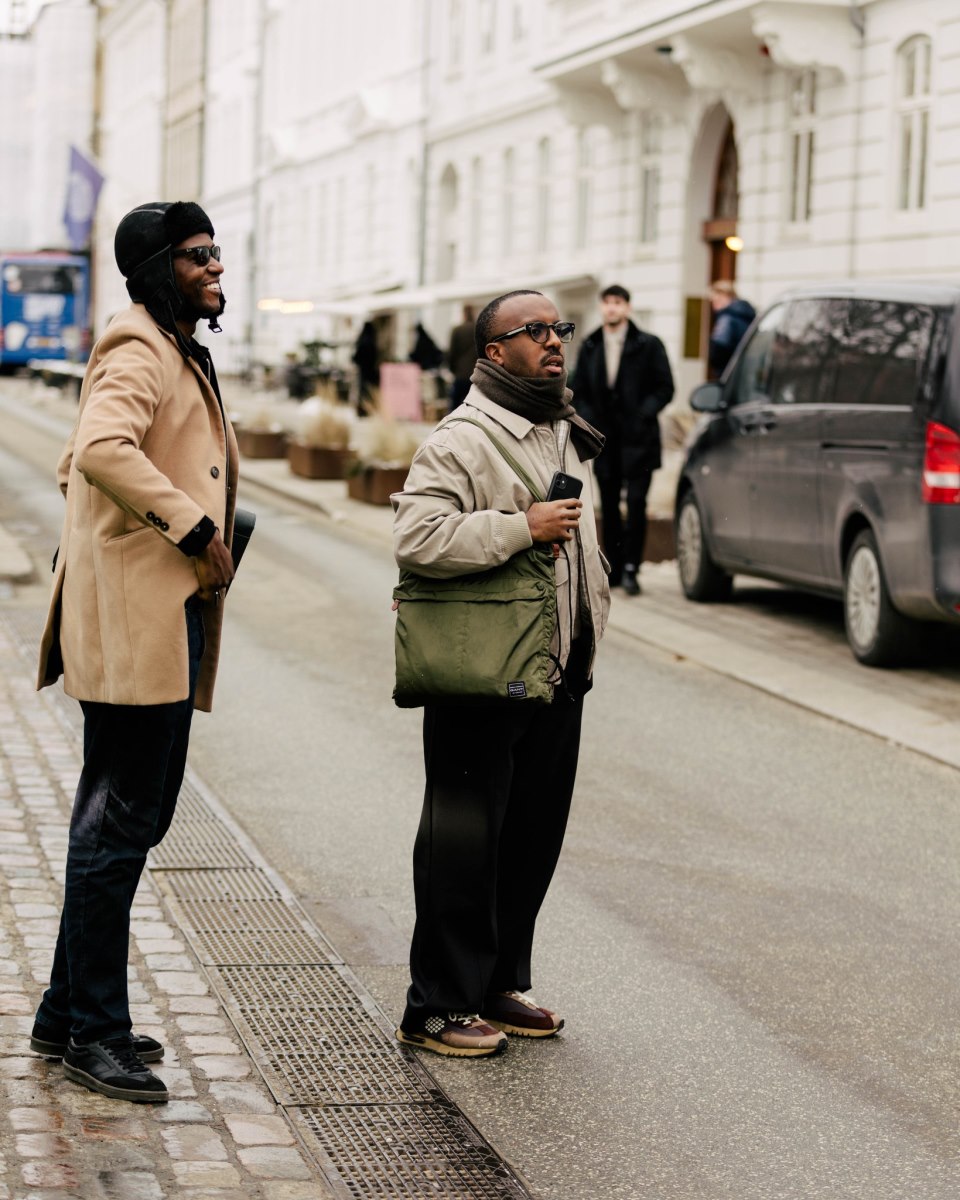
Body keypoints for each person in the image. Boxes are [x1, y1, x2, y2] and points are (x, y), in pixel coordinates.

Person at [31, 201, 239, 1104]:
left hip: (161, 615)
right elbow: (100, 448)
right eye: (198, 257)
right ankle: (93, 1034)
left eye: (217, 253)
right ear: (158, 266)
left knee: (126, 817)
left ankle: (62, 1010)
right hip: (137, 624)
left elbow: (82, 467)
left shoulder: (171, 344)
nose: (216, 268)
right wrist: (192, 526)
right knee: (118, 825)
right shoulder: (138, 346)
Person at [392, 289, 610, 1058]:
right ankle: (439, 1004)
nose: (553, 341)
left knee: (528, 836)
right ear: (493, 353)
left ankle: (497, 984)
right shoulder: (463, 438)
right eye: (533, 331)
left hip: (554, 670)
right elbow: (417, 536)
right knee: (462, 839)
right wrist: (520, 527)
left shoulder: (563, 426)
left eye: (559, 329)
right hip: (480, 670)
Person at [572, 284, 674, 597]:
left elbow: (665, 387)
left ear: (627, 308)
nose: (612, 309)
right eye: (607, 303)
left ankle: (632, 567)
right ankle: (614, 567)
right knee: (611, 506)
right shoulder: (590, 344)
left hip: (639, 439)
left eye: (617, 303)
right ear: (602, 307)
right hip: (606, 440)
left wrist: (644, 413)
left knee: (637, 503)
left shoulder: (649, 344)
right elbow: (580, 389)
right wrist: (591, 420)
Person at [708, 280, 756, 375]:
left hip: (729, 372)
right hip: (745, 371)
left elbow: (719, 348)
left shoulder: (726, 319)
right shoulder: (747, 313)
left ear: (725, 296)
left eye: (715, 300)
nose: (713, 304)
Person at [447, 304, 476, 411]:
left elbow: (452, 352)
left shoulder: (457, 330)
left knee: (455, 405)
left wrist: (452, 369)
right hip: (476, 372)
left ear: (463, 314)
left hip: (460, 372)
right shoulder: (477, 329)